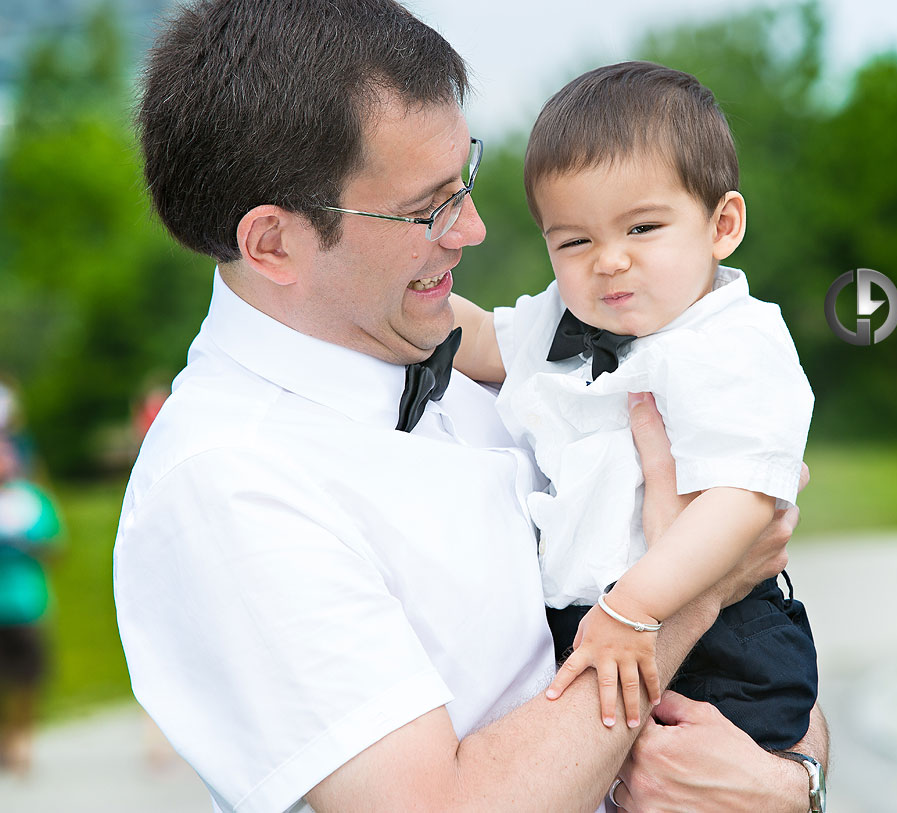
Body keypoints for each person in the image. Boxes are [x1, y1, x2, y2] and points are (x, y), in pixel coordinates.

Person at [114, 2, 827, 812]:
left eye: (467, 181)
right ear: (274, 243)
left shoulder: (477, 352)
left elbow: (770, 678)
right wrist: (690, 596)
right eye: (428, 208)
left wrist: (792, 784)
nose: (476, 229)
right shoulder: (228, 483)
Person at [451, 61, 819, 749]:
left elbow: (742, 501)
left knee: (701, 774)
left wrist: (637, 607)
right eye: (576, 240)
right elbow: (478, 338)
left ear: (721, 224)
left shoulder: (732, 340)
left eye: (643, 228)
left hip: (717, 637)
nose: (609, 260)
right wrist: (394, 300)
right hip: (584, 620)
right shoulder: (559, 319)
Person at [0, 434, 61, 775]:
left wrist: (25, 543)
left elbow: (55, 547)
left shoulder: (32, 502)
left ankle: (21, 737)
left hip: (27, 603)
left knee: (27, 677)